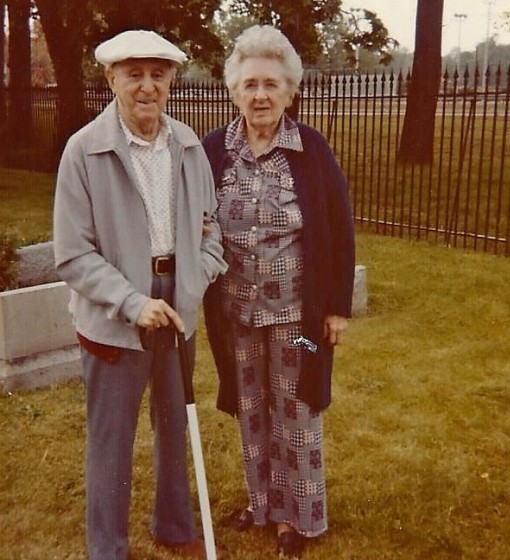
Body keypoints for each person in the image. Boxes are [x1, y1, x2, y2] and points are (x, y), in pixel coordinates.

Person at [53, 29, 227, 560]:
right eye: (134, 75)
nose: (147, 87)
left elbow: (210, 225)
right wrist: (133, 303)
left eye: (158, 75)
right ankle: (108, 549)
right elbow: (74, 253)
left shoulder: (188, 144)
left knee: (175, 423)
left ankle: (174, 526)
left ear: (171, 80)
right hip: (115, 314)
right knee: (112, 441)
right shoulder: (83, 150)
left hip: (179, 303)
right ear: (111, 79)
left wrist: (197, 275)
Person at [202, 25, 355, 559]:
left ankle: (299, 518)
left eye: (271, 84)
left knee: (298, 409)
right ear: (234, 91)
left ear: (290, 90)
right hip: (235, 313)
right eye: (250, 85)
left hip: (299, 318)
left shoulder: (310, 148)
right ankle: (262, 504)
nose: (260, 95)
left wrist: (337, 307)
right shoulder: (214, 150)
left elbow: (338, 227)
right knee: (251, 409)